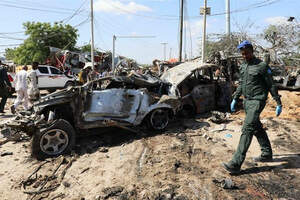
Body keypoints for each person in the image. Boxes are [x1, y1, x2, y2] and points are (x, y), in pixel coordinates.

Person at [222, 40, 282, 174]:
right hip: (247, 101)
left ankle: (235, 163)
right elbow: (242, 83)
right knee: (256, 127)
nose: (244, 56)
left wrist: (278, 102)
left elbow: (271, 85)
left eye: (246, 53)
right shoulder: (243, 66)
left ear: (252, 51)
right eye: (242, 54)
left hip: (257, 100)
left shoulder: (261, 66)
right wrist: (235, 98)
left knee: (247, 128)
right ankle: (266, 153)